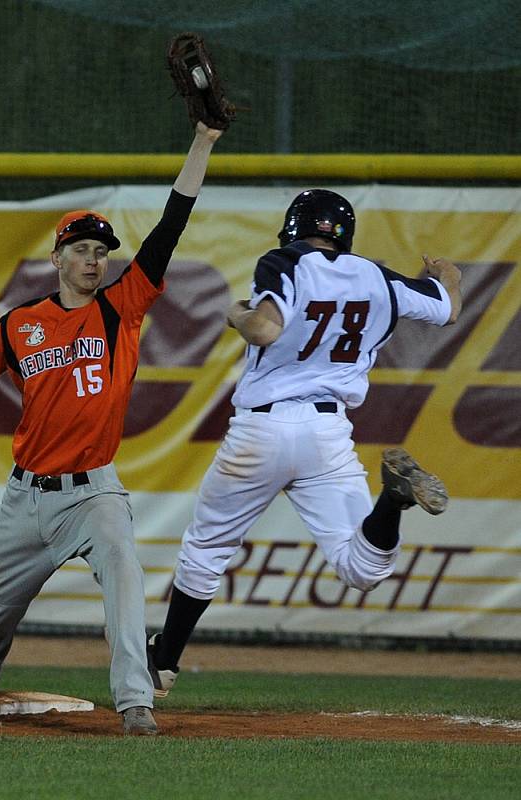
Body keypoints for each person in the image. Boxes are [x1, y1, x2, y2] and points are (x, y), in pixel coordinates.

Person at [0, 121, 223, 735]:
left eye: (102, 251)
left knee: (123, 570)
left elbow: (170, 228)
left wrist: (201, 142)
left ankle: (135, 702)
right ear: (57, 258)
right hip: (26, 497)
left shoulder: (120, 308)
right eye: (83, 250)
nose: (94, 260)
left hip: (93, 493)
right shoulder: (22, 324)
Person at [146, 188, 462, 697]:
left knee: (206, 550)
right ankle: (394, 497)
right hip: (327, 433)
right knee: (361, 569)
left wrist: (236, 313)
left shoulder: (286, 260)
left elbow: (265, 330)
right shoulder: (376, 275)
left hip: (263, 429)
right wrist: (448, 275)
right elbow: (448, 311)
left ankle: (164, 663)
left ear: (295, 228)